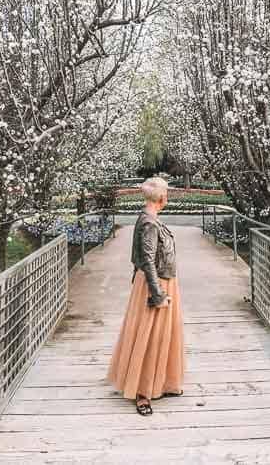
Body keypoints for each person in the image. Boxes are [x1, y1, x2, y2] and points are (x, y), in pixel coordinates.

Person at [106, 176, 185, 416]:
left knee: (161, 333)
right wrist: (157, 294)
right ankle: (142, 392)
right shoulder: (150, 222)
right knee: (150, 335)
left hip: (160, 280)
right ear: (162, 197)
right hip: (156, 283)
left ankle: (160, 382)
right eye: (167, 193)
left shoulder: (147, 218)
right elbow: (148, 261)